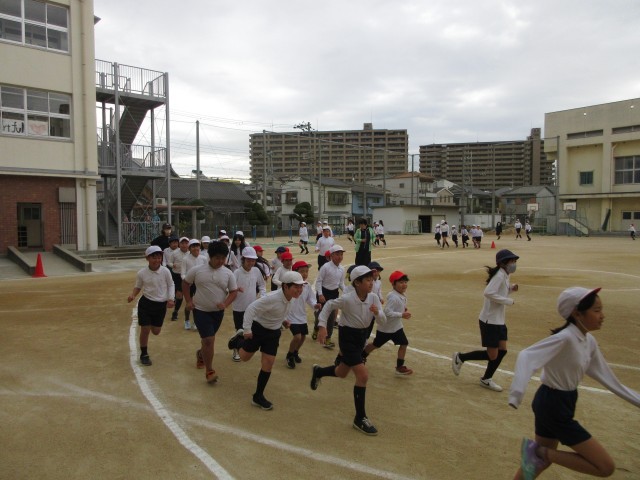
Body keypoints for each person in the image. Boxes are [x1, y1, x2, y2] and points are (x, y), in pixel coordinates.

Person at [509, 287, 640, 480]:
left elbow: (607, 377)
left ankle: (538, 454)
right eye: (596, 310)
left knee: (535, 464)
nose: (602, 316)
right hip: (553, 404)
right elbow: (527, 355)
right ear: (577, 314)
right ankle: (538, 452)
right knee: (605, 467)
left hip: (562, 401)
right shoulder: (565, 338)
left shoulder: (588, 340)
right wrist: (516, 394)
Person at [310, 265, 385, 436]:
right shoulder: (347, 298)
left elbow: (383, 320)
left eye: (372, 280)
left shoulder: (373, 298)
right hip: (347, 338)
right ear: (357, 283)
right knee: (363, 375)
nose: (371, 283)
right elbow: (329, 305)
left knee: (342, 372)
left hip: (361, 337)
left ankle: (319, 372)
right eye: (368, 280)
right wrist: (322, 326)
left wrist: (377, 313)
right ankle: (360, 418)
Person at [227, 271, 305, 410]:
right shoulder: (271, 298)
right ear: (285, 286)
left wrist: (283, 321)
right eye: (296, 286)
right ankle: (237, 341)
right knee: (244, 357)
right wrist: (247, 329)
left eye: (301, 286)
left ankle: (258, 396)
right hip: (258, 329)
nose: (299, 290)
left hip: (273, 333)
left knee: (268, 363)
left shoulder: (292, 297)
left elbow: (280, 311)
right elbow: (251, 309)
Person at [452, 249, 519, 392]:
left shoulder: (505, 275)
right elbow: (488, 292)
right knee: (492, 355)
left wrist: (511, 288)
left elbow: (500, 290)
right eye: (512, 261)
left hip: (499, 320)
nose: (514, 264)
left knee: (502, 350)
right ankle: (460, 357)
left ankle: (486, 378)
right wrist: (507, 301)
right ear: (503, 263)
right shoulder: (499, 275)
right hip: (490, 321)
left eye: (515, 261)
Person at [182, 241, 238, 384]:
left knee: (208, 340)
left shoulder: (228, 273)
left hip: (217, 313)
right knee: (209, 340)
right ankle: (209, 371)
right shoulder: (197, 270)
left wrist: (225, 304)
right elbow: (186, 283)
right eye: (217, 258)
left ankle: (201, 354)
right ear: (210, 256)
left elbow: (233, 292)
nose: (220, 261)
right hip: (200, 311)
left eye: (223, 258)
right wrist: (188, 301)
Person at [127, 246, 175, 366]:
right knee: (145, 329)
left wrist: (170, 298)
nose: (157, 260)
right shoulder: (142, 273)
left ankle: (152, 329)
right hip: (146, 304)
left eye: (159, 257)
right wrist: (133, 295)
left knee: (156, 331)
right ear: (147, 258)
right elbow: (138, 286)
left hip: (160, 305)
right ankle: (144, 354)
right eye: (154, 257)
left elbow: (171, 284)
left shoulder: (165, 271)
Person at [363, 271, 413, 375]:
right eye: (401, 282)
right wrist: (401, 314)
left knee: (404, 343)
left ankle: (399, 367)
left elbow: (398, 306)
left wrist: (403, 309)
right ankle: (361, 357)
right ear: (393, 284)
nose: (404, 284)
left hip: (396, 327)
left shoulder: (401, 295)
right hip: (386, 328)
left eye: (405, 282)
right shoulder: (394, 297)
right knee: (375, 345)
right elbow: (387, 312)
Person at [231, 247, 267, 362]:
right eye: (248, 260)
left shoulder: (256, 271)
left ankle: (243, 348)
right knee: (240, 330)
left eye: (253, 260)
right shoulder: (237, 272)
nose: (251, 263)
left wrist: (262, 296)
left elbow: (262, 285)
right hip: (238, 307)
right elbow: (229, 288)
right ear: (243, 259)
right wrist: (236, 289)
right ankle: (236, 349)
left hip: (252, 307)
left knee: (249, 330)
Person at [285, 260, 321, 369]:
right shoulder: (290, 285)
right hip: (291, 316)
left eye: (306, 271)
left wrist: (315, 305)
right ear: (295, 273)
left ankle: (295, 352)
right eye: (302, 271)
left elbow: (310, 299)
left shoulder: (307, 285)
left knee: (303, 337)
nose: (305, 274)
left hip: (301, 316)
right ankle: (289, 355)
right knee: (297, 336)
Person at [314, 245, 346, 348]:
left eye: (341, 254)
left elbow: (341, 283)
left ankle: (328, 338)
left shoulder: (342, 269)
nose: (340, 257)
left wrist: (347, 292)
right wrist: (320, 294)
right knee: (320, 314)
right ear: (331, 256)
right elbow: (319, 281)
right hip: (324, 293)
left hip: (334, 294)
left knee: (332, 317)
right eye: (337, 254)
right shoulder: (325, 267)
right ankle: (316, 328)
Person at [181, 239, 207, 330]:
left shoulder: (203, 258)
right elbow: (183, 273)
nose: (195, 248)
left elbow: (206, 271)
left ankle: (196, 322)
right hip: (189, 285)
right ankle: (187, 320)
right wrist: (187, 281)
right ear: (189, 248)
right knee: (189, 302)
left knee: (198, 303)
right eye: (193, 246)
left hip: (199, 285)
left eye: (197, 246)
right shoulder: (185, 259)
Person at [169, 236, 190, 320]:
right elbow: (169, 262)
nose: (184, 245)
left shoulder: (190, 253)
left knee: (189, 295)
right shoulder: (174, 253)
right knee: (179, 295)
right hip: (177, 275)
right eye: (182, 243)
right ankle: (175, 312)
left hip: (188, 276)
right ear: (179, 244)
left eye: (186, 243)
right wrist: (172, 265)